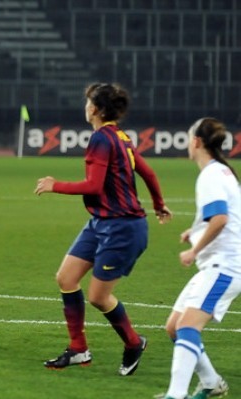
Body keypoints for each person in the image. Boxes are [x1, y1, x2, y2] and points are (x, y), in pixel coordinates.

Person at [35, 82, 172, 375]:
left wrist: (54, 185)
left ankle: (134, 343)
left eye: (88, 103)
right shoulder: (121, 136)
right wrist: (159, 203)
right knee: (66, 277)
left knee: (98, 296)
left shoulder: (102, 139)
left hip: (123, 227)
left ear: (94, 109)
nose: (85, 107)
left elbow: (94, 185)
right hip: (101, 223)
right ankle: (78, 349)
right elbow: (147, 172)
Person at [155, 118, 239, 399]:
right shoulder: (223, 172)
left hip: (225, 266)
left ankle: (175, 395)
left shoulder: (211, 176)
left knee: (188, 326)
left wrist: (193, 250)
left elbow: (221, 219)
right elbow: (228, 216)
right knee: (174, 328)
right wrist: (195, 230)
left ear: (196, 142)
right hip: (218, 264)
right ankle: (211, 382)